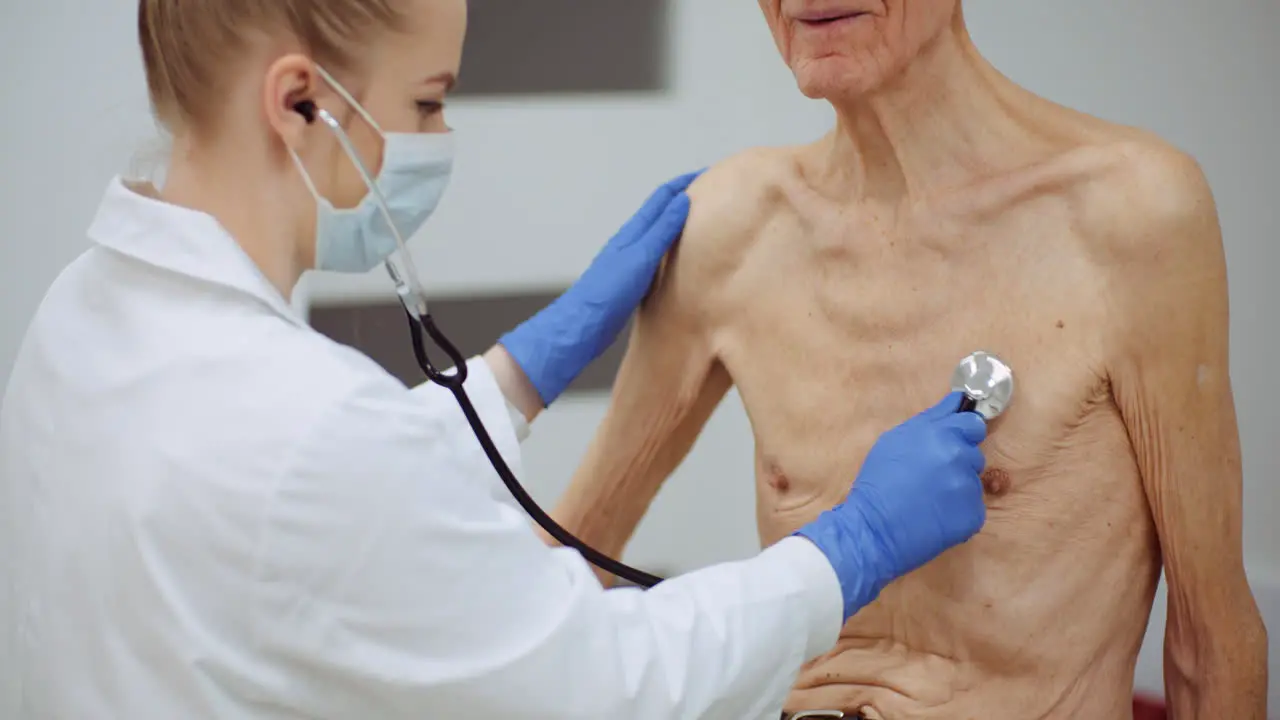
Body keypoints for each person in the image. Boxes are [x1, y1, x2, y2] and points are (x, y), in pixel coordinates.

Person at [0, 1, 998, 718]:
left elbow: (302, 528)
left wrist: (516, 375)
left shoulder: (81, 311)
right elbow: (605, 683)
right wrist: (850, 548)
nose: (441, 133)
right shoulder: (307, 437)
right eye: (428, 102)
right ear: (301, 102)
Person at [550, 2, 1270, 719]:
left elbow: (1210, 646)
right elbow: (558, 581)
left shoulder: (1131, 214)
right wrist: (513, 380)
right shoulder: (729, 226)